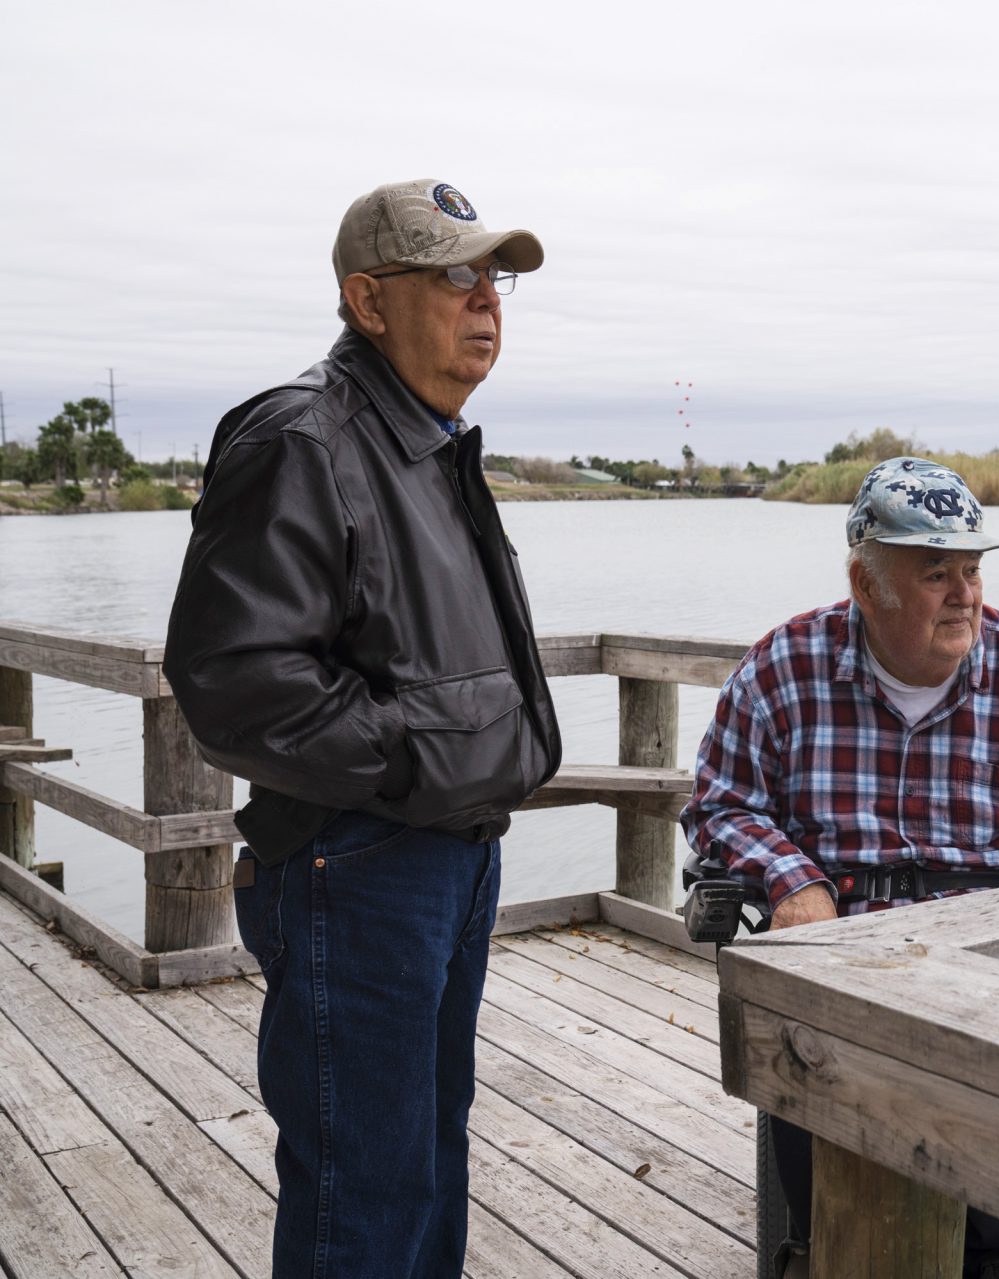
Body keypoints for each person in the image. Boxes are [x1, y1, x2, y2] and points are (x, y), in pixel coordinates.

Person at [163, 178, 562, 1277]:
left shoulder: (427, 440)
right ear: (367, 300)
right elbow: (234, 682)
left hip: (451, 856)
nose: (485, 299)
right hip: (358, 865)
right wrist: (417, 758)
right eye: (452, 275)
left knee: (427, 1160)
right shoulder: (304, 437)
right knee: (365, 1192)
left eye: (494, 276)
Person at [681, 456, 999, 1278]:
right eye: (937, 572)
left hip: (998, 985)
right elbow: (721, 804)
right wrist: (794, 879)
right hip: (842, 991)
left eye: (971, 569)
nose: (966, 594)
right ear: (866, 585)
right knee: (854, 1230)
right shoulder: (781, 670)